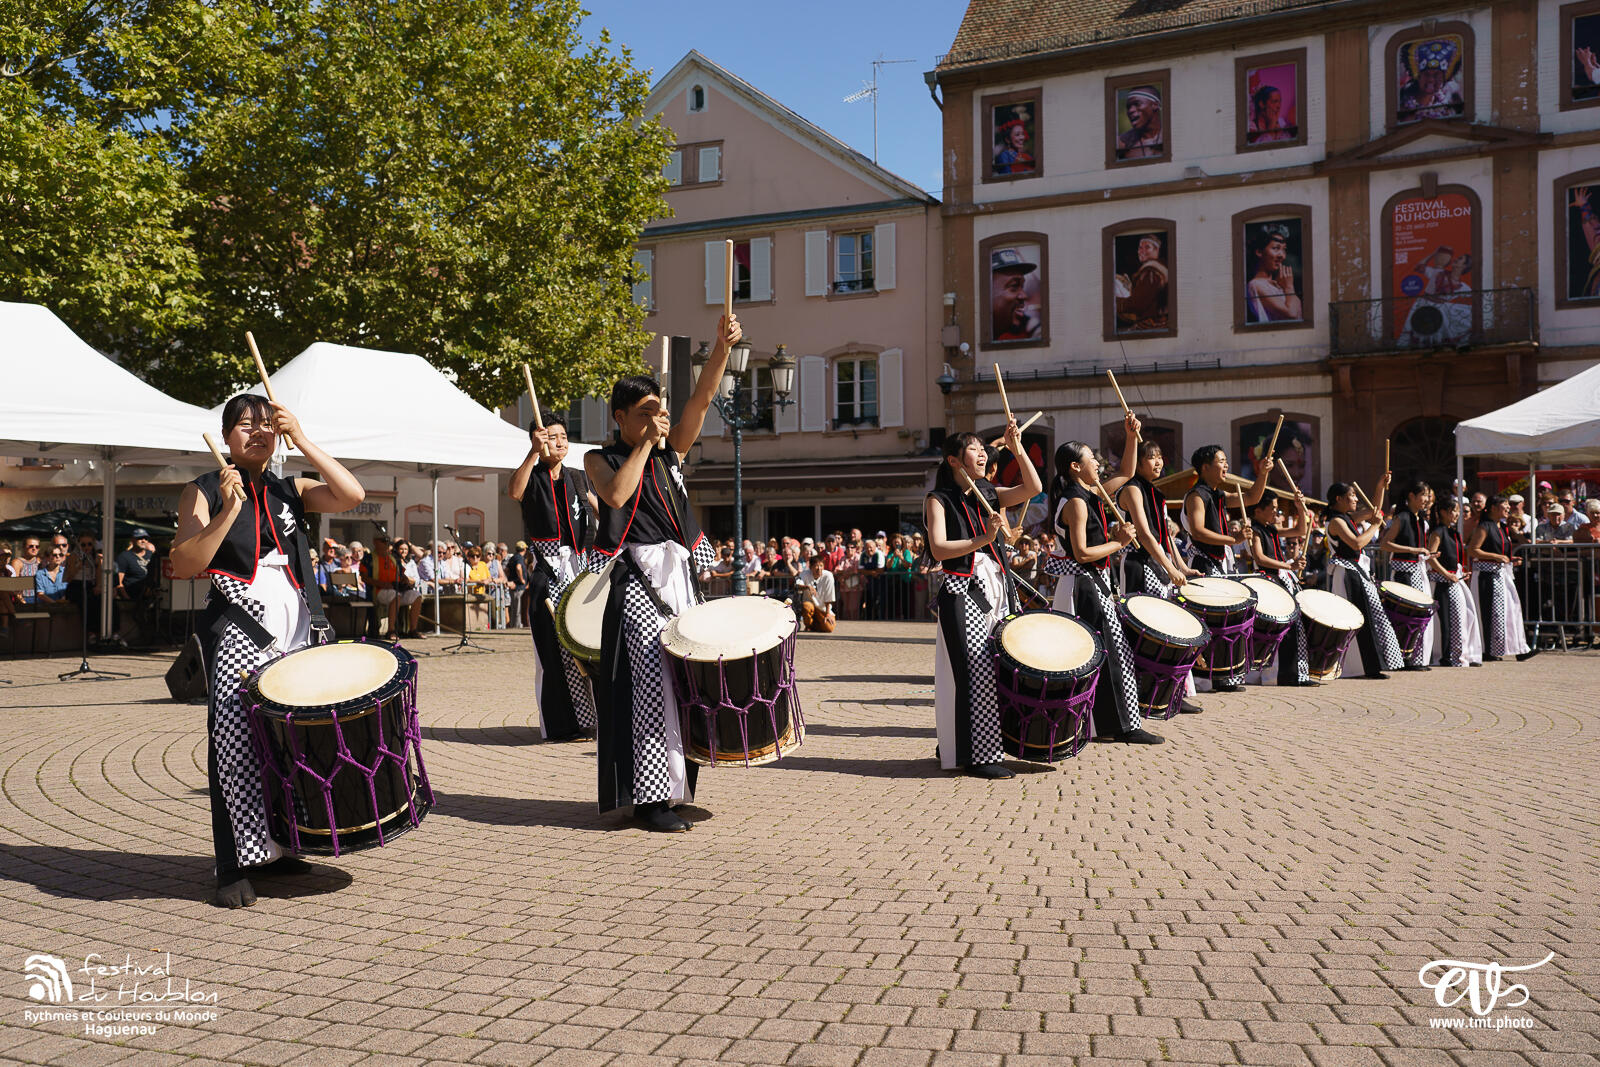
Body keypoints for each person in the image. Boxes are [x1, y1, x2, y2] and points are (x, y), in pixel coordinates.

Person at [169, 392, 364, 908]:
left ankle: (281, 845)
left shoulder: (289, 486)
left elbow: (350, 495)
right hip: (239, 625)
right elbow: (186, 564)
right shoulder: (204, 489)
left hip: (298, 621)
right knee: (235, 743)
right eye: (244, 425)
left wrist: (302, 438)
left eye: (265, 425)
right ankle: (233, 863)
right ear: (227, 436)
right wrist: (226, 511)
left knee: (290, 741)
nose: (257, 432)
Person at [585, 311, 740, 832]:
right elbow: (617, 495)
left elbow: (699, 399)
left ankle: (678, 786)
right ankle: (651, 801)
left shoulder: (673, 451)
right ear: (621, 417)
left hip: (679, 577)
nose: (661, 417)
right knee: (649, 685)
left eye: (660, 409)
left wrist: (720, 348)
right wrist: (648, 442)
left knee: (684, 681)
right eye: (647, 411)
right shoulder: (599, 457)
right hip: (637, 579)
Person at [925, 414, 1042, 777]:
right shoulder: (938, 499)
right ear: (954, 460)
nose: (981, 454)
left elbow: (1033, 487)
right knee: (974, 671)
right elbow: (940, 548)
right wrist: (984, 540)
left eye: (981, 449)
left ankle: (968, 746)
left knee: (997, 667)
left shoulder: (990, 493)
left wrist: (1016, 448)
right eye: (973, 449)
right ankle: (979, 757)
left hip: (996, 586)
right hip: (962, 589)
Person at [1047, 415, 1161, 743]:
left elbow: (1125, 473)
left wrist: (1131, 437)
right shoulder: (1076, 503)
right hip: (1081, 585)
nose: (1097, 463)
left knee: (1110, 652)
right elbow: (1082, 553)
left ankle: (1110, 724)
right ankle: (1115, 726)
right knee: (1096, 654)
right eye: (1091, 459)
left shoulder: (1089, 495)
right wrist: (1120, 543)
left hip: (1091, 584)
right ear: (1075, 466)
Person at [1324, 479, 1403, 679]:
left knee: (1371, 616)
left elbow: (1374, 509)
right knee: (1358, 619)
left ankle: (1371, 665)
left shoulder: (1347, 517)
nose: (1356, 499)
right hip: (1346, 574)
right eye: (1352, 495)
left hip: (1355, 572)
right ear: (1338, 499)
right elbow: (1357, 543)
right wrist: (1375, 525)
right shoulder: (1336, 521)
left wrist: (1379, 486)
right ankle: (1359, 667)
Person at [1248, 493, 1317, 686]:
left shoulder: (1272, 529)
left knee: (1293, 627)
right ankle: (1277, 675)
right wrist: (1289, 566)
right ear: (1258, 510)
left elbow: (1301, 529)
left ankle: (1296, 673)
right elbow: (1260, 558)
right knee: (1277, 629)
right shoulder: (1254, 530)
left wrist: (1299, 507)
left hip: (1278, 581)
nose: (1276, 513)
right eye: (1273, 508)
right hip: (1266, 583)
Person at [1118, 440, 1198, 597]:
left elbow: (1166, 537)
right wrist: (1171, 568)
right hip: (1139, 563)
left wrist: (1183, 568)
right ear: (1137, 463)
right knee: (1141, 617)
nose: (1158, 462)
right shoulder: (1132, 489)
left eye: (1160, 457)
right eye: (1151, 457)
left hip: (1159, 562)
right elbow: (1144, 534)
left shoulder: (1155, 492)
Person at [1378, 479, 1437, 671]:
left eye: (1428, 495)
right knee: (1405, 617)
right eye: (1423, 495)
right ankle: (1403, 658)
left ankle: (1416, 657)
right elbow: (1385, 544)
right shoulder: (1402, 517)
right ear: (1411, 496)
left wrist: (1426, 553)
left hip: (1417, 572)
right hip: (1403, 573)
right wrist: (1413, 549)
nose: (1427, 499)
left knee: (1418, 617)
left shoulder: (1420, 519)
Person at [1467, 495, 1533, 661]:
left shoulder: (1502, 527)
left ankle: (1516, 648)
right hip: (1487, 576)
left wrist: (1510, 559)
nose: (1508, 508)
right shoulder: (1485, 526)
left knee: (1510, 611)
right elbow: (1473, 550)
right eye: (1504, 505)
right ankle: (1489, 650)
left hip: (1501, 575)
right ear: (1494, 508)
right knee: (1491, 613)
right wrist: (1497, 557)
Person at [1426, 497, 1482, 667]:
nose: (1456, 514)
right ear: (1443, 512)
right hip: (1441, 582)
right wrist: (1446, 574)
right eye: (1453, 511)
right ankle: (1445, 655)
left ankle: (1459, 654)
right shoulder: (1438, 532)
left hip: (1454, 580)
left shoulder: (1453, 533)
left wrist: (1460, 572)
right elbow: (1431, 557)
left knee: (1462, 617)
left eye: (1458, 511)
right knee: (1446, 620)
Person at [1245, 223, 1301, 323]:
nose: (1282, 256)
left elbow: (1298, 312)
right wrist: (1289, 287)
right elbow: (1291, 314)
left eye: (1284, 249)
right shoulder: (1256, 285)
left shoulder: (1280, 284)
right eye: (1276, 248)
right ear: (1259, 252)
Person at [1113, 234, 1169, 333]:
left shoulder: (1152, 272)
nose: (1141, 251)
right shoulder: (1160, 268)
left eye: (1147, 247)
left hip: (1153, 326)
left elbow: (1137, 304)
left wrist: (1115, 303)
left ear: (1157, 250)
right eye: (1140, 247)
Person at [794, 555, 837, 633]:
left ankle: (815, 625)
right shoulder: (804, 574)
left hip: (823, 608)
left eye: (821, 565)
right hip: (810, 606)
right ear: (810, 567)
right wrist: (807, 587)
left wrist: (827, 614)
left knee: (829, 628)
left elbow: (829, 596)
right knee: (806, 606)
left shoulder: (828, 576)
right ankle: (809, 625)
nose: (819, 568)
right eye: (816, 566)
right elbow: (797, 585)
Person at [1116, 86, 1163, 159]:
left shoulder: (1172, 134)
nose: (1130, 110)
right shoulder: (1123, 142)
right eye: (1128, 107)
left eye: (1137, 104)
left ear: (1155, 105)